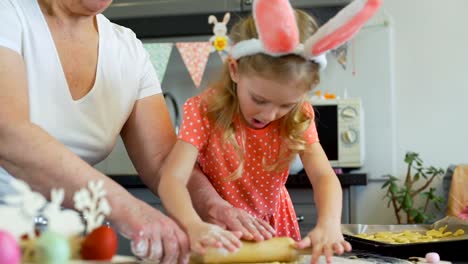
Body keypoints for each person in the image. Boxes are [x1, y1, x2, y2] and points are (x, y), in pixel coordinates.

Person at [0, 0, 274, 263]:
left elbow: (163, 161)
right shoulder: (9, 14)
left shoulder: (127, 48)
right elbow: (11, 135)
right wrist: (129, 210)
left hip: (61, 243)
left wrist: (213, 206)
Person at [158, 0, 380, 262]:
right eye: (259, 100)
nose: (269, 115)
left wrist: (329, 224)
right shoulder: (203, 111)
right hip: (218, 232)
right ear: (234, 70)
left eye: (286, 104)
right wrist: (193, 225)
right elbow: (172, 180)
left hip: (276, 229)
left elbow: (322, 175)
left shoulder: (300, 114)